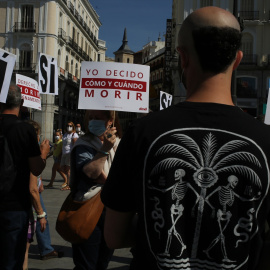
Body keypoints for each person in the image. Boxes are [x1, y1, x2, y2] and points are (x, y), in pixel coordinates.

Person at [101, 7, 270, 270]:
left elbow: (113, 235)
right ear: (237, 59)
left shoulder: (142, 132)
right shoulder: (266, 140)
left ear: (182, 57)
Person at [0, 83, 50, 269]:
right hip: (15, 205)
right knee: (13, 260)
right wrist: (43, 152)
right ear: (21, 102)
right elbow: (36, 168)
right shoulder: (25, 129)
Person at [70, 110, 122, 270]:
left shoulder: (120, 143)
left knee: (103, 262)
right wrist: (105, 148)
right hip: (89, 209)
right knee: (86, 264)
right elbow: (91, 173)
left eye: (98, 118)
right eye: (90, 118)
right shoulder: (83, 144)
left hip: (112, 210)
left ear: (110, 120)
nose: (92, 122)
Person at [26, 120, 61, 261]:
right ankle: (45, 249)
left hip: (34, 188)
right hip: (30, 191)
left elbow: (36, 171)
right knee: (41, 217)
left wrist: (39, 181)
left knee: (37, 219)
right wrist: (44, 154)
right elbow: (34, 171)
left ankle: (45, 248)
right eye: (38, 135)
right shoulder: (28, 149)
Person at [60, 121, 79, 190]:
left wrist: (74, 155)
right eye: (68, 125)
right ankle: (70, 180)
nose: (69, 127)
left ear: (73, 127)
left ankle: (68, 185)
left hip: (69, 153)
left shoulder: (74, 135)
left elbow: (75, 145)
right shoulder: (65, 134)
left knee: (68, 170)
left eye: (70, 126)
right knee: (62, 168)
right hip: (64, 153)